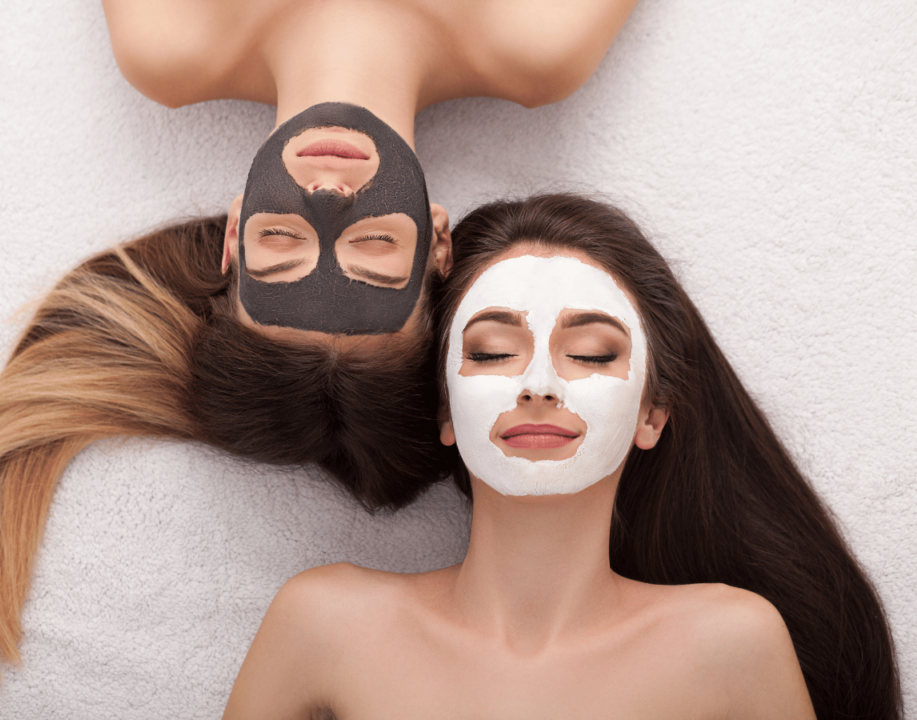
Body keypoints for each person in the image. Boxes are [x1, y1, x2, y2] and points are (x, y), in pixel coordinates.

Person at [0, 0, 642, 675]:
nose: (328, 197)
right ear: (438, 240)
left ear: (234, 230)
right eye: (374, 246)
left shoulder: (168, 39)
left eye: (279, 240)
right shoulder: (539, 42)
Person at [222, 194, 901, 719]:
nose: (539, 383)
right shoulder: (325, 622)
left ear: (651, 413)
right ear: (443, 410)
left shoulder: (732, 643)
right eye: (491, 352)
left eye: (592, 355)